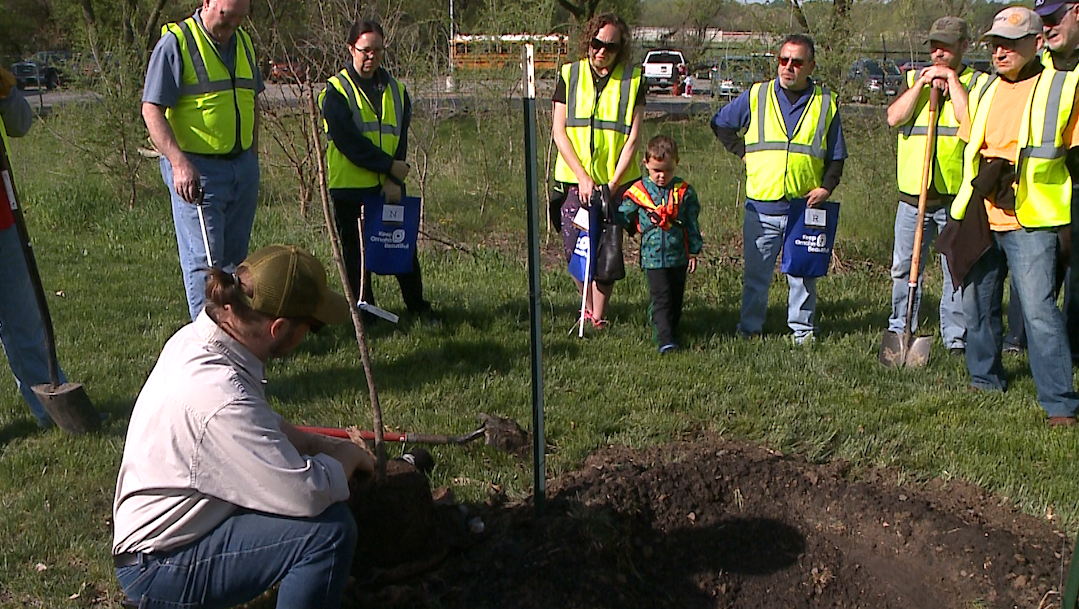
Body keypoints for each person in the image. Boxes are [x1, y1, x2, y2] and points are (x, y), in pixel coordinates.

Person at [113, 244, 375, 607]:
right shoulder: (220, 398)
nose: (308, 336)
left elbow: (259, 425)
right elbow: (307, 494)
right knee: (328, 533)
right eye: (310, 328)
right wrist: (345, 459)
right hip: (158, 568)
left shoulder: (199, 341)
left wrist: (322, 445)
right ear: (279, 327)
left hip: (166, 539)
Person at [945, 6, 1079, 425]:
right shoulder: (985, 88)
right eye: (994, 44)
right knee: (976, 303)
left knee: (1039, 311)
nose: (1000, 52)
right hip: (981, 211)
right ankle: (984, 377)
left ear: (1036, 43)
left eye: (1009, 44)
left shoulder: (1061, 87)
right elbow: (971, 138)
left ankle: (1059, 402)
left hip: (1031, 218)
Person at [711, 34, 847, 344]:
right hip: (761, 206)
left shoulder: (826, 103)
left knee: (803, 275)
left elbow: (837, 157)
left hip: (805, 209)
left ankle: (802, 332)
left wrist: (827, 188)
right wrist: (742, 151)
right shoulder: (757, 95)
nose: (788, 67)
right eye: (783, 60)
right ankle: (750, 329)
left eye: (797, 62)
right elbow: (720, 123)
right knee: (756, 277)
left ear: (811, 66)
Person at [143, 0, 264, 322]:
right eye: (227, 16)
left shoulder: (245, 43)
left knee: (235, 260)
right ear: (207, 3)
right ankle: (207, 341)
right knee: (204, 262)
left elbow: (251, 100)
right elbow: (151, 109)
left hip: (242, 166)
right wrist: (179, 163)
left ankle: (234, 330)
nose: (233, 25)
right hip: (198, 170)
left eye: (241, 17)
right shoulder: (176, 43)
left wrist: (253, 155)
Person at [319, 19, 434, 321]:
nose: (371, 57)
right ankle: (364, 310)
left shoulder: (397, 90)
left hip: (388, 186)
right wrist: (389, 168)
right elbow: (349, 143)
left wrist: (395, 176)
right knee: (356, 254)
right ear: (351, 49)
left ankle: (417, 306)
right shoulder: (336, 91)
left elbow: (400, 136)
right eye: (365, 50)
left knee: (402, 246)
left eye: (377, 51)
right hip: (351, 186)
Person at [884, 17, 978, 357]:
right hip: (913, 197)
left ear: (964, 47)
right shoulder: (913, 80)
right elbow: (894, 118)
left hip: (954, 198)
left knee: (955, 272)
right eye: (934, 46)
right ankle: (901, 326)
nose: (938, 53)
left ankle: (955, 338)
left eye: (947, 47)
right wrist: (921, 86)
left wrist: (952, 83)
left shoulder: (976, 84)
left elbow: (971, 127)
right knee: (904, 266)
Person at [552, 12, 645, 330]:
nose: (602, 51)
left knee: (607, 249)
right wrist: (582, 177)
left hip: (614, 183)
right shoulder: (570, 74)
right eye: (597, 43)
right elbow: (559, 131)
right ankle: (586, 308)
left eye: (611, 46)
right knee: (576, 248)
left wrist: (613, 184)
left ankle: (598, 317)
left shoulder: (634, 79)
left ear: (622, 48)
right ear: (588, 41)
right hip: (574, 180)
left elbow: (633, 138)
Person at [0, 67, 68, 429]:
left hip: (1, 217)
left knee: (25, 318)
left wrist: (7, 93)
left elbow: (21, 124)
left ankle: (51, 409)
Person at [617, 135, 702, 353]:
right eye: (656, 171)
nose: (662, 176)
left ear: (676, 164)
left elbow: (691, 223)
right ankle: (665, 340)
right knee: (661, 296)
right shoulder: (640, 192)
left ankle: (668, 328)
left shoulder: (684, 192)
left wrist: (693, 251)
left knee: (675, 298)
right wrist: (618, 220)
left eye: (667, 170)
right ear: (645, 164)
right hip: (652, 257)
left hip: (678, 255)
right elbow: (624, 215)